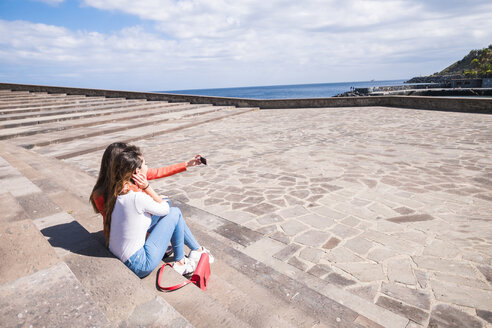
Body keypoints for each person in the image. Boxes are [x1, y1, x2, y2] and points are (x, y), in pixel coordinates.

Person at [105, 148, 213, 277]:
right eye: (145, 164)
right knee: (174, 212)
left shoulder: (119, 192)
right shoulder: (137, 197)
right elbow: (165, 210)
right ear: (137, 171)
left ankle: (196, 251)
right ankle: (181, 262)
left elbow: (158, 174)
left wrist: (186, 164)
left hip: (121, 253)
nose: (147, 166)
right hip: (138, 263)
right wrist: (148, 188)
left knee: (169, 211)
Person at [90, 142, 202, 242]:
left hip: (116, 234)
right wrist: (148, 191)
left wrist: (186, 164)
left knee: (166, 208)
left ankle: (193, 248)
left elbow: (159, 172)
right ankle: (189, 250)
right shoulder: (123, 189)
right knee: (168, 209)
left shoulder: (129, 177)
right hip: (126, 235)